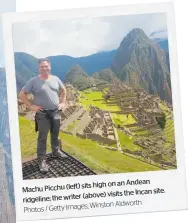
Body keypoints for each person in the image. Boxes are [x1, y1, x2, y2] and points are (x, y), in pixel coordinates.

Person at [19, 58, 67, 173]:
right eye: (42, 67)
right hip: (43, 114)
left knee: (55, 134)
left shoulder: (55, 79)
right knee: (42, 138)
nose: (44, 68)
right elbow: (22, 94)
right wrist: (31, 107)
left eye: (46, 66)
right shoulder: (33, 81)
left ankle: (56, 152)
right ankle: (41, 160)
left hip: (55, 112)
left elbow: (63, 90)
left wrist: (62, 103)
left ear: (50, 67)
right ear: (39, 68)